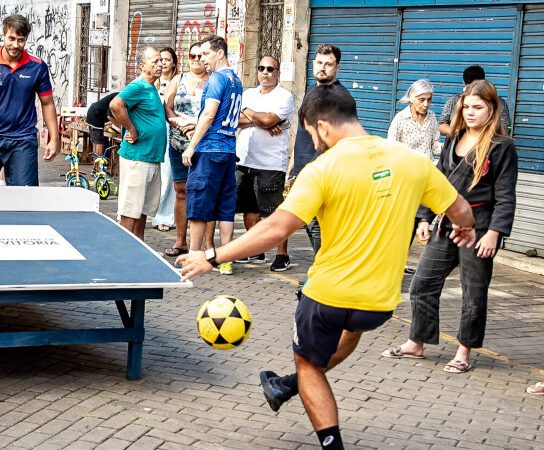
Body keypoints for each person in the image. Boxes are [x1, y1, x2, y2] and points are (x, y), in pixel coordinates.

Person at [177, 84, 476, 450]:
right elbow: (460, 210)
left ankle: (327, 436)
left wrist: (211, 257)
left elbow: (276, 229)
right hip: (379, 304)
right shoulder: (411, 162)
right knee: (349, 327)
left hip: (328, 297)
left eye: (309, 132)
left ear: (321, 125)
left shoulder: (322, 169)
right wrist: (465, 226)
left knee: (309, 363)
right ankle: (286, 384)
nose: (312, 142)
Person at [382, 80, 518, 374]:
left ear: (492, 108)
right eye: (467, 107)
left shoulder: (502, 146)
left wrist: (495, 232)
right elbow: (437, 182)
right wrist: (423, 218)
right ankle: (417, 341)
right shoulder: (455, 139)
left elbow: (506, 195)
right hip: (446, 224)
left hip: (479, 227)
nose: (471, 113)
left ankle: (464, 351)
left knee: (473, 292)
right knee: (422, 283)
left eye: (478, 107)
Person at [0, 14, 59, 186]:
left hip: (23, 139)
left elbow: (47, 103)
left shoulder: (37, 67)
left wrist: (54, 139)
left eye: (20, 40)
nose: (15, 45)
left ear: (26, 39)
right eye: (11, 38)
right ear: (3, 35)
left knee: (24, 200)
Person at [176, 35, 242, 276]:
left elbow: (209, 115)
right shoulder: (236, 80)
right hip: (228, 150)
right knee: (225, 206)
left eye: (205, 54)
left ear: (220, 53)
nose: (201, 58)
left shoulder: (216, 78)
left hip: (209, 149)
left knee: (199, 203)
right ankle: (226, 259)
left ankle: (193, 256)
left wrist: (191, 146)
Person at [234, 56, 295, 271]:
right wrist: (262, 120)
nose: (265, 73)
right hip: (244, 159)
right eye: (261, 68)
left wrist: (249, 112)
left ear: (278, 73)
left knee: (274, 212)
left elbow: (270, 120)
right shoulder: (247, 94)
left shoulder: (284, 96)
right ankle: (255, 250)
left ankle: (282, 254)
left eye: (270, 69)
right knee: (249, 209)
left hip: (271, 162)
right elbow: (234, 120)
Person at [290, 44, 347, 257]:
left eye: (328, 64)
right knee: (311, 221)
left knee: (318, 224)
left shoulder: (338, 97)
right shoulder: (312, 91)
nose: (323, 68)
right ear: (313, 64)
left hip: (324, 172)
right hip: (305, 168)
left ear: (337, 68)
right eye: (320, 63)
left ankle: (326, 270)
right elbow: (304, 133)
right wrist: (293, 166)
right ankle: (326, 268)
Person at [108, 46, 166, 240]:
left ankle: (139, 250)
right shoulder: (138, 86)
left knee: (142, 210)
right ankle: (123, 254)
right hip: (137, 158)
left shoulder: (152, 88)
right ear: (142, 65)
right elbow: (116, 105)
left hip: (151, 157)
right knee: (130, 210)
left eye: (161, 61)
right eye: (155, 61)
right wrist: (132, 129)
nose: (160, 65)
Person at [388, 79, 440, 274]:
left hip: (425, 178)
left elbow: (434, 146)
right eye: (421, 100)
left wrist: (453, 146)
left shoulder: (432, 118)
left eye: (429, 100)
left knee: (417, 222)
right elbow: (390, 150)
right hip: (405, 179)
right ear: (411, 98)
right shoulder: (400, 119)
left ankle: (398, 261)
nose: (425, 104)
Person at [163, 42, 208, 257]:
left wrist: (195, 130)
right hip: (178, 143)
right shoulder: (177, 79)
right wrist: (179, 125)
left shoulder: (213, 81)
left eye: (201, 56)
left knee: (202, 193)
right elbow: (167, 107)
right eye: (193, 55)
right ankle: (180, 241)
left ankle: (202, 246)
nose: (197, 59)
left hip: (204, 145)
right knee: (180, 192)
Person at [152, 47, 181, 232]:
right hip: (153, 132)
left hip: (171, 130)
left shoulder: (179, 83)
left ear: (174, 63)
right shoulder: (151, 82)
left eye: (167, 60)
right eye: (160, 59)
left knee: (168, 173)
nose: (163, 63)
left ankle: (164, 216)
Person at [439, 65, 510, 136]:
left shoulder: (498, 103)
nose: (470, 113)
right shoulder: (454, 100)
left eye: (478, 107)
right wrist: (454, 132)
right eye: (465, 107)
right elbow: (441, 125)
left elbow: (504, 132)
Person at [86, 91, 119, 159]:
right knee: (99, 143)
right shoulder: (119, 98)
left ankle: (95, 166)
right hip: (96, 115)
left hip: (92, 111)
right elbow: (110, 116)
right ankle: (99, 165)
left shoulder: (118, 95)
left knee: (95, 142)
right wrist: (121, 127)